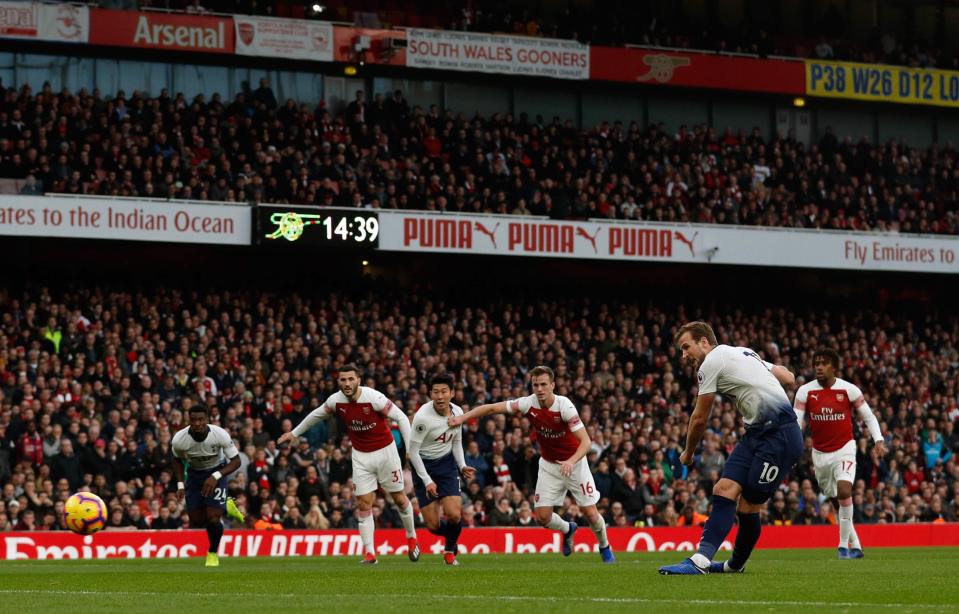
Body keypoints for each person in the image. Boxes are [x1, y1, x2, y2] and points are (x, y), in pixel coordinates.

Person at [660, 321, 802, 575]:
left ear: (704, 342)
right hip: (756, 434)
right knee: (723, 489)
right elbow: (788, 377)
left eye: (686, 347)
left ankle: (734, 565)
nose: (684, 356)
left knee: (748, 505)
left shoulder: (711, 361)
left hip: (780, 436)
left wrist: (688, 452)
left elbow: (700, 418)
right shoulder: (742, 351)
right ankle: (701, 560)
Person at [450, 365, 615, 564]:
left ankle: (604, 546)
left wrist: (571, 462)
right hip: (549, 465)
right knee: (543, 518)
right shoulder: (528, 403)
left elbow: (586, 442)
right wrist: (463, 418)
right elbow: (493, 407)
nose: (539, 389)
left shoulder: (565, 406)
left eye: (544, 384)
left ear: (553, 385)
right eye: (535, 384)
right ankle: (567, 528)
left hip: (575, 464)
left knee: (590, 512)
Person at [277, 364, 419, 565]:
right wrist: (294, 433)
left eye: (351, 379)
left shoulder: (374, 397)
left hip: (386, 453)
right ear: (338, 382)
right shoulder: (336, 401)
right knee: (363, 503)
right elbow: (316, 415)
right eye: (343, 380)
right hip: (361, 455)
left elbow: (402, 418)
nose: (347, 383)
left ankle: (411, 537)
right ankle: (370, 553)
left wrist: (410, 450)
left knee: (398, 498)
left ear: (358, 380)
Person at [794, 347, 886, 559]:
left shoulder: (849, 390)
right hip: (820, 454)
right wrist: (791, 449)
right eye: (816, 362)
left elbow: (869, 417)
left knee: (845, 491)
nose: (818, 367)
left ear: (834, 367)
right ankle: (857, 546)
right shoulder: (805, 392)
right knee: (837, 501)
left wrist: (878, 439)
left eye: (823, 363)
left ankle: (842, 546)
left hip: (845, 448)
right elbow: (795, 423)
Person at [408, 372, 476, 566]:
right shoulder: (422, 417)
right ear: (430, 394)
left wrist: (461, 465)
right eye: (435, 392)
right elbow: (413, 453)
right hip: (423, 464)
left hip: (446, 464)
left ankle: (449, 550)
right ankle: (452, 540)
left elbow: (457, 441)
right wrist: (427, 480)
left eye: (444, 391)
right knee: (432, 525)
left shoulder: (458, 411)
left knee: (454, 514)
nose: (439, 396)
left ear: (452, 393)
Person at [171, 406, 246, 567]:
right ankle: (226, 505)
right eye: (193, 420)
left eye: (201, 419)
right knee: (196, 520)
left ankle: (212, 553)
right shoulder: (179, 439)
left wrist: (216, 476)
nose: (197, 423)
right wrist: (180, 484)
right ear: (188, 421)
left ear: (207, 420)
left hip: (216, 473)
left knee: (213, 519)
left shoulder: (219, 434)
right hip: (194, 475)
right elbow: (176, 460)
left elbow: (236, 461)